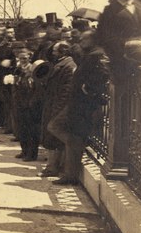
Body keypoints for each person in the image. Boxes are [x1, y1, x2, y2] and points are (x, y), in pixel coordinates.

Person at [49, 30, 111, 185]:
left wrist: (89, 88)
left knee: (59, 128)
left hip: (83, 104)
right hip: (77, 103)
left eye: (84, 39)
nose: (81, 41)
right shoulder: (90, 53)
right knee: (64, 131)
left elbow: (104, 75)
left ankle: (71, 174)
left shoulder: (97, 54)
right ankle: (71, 168)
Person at [40, 41, 76, 177]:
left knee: (53, 136)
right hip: (53, 104)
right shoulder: (62, 64)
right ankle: (53, 167)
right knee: (52, 137)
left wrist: (57, 110)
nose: (53, 53)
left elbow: (66, 92)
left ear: (63, 52)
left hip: (57, 107)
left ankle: (52, 168)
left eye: (55, 51)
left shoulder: (68, 66)